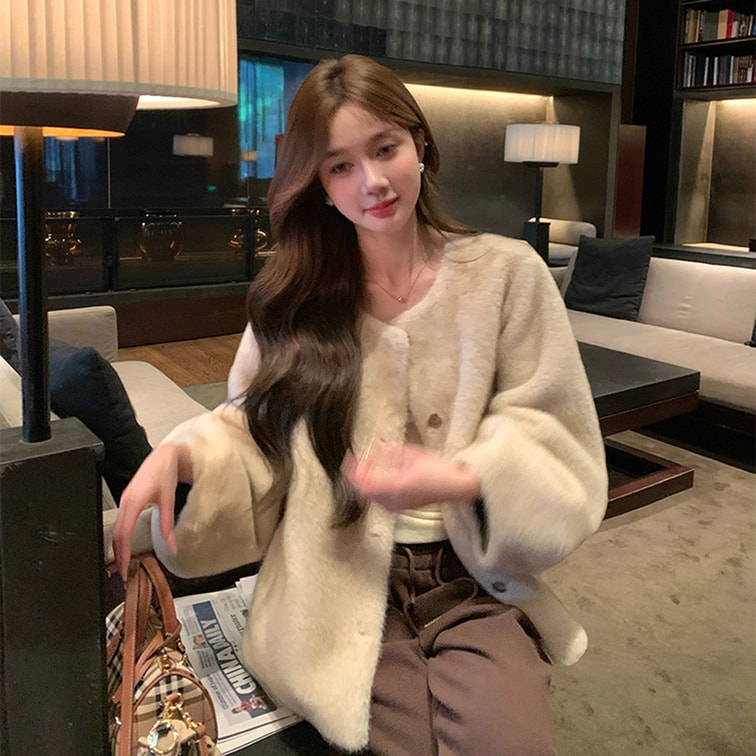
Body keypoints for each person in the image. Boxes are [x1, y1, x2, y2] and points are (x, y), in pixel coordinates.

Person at [114, 54, 608, 755]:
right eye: (340, 165)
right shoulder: (295, 299)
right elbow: (253, 429)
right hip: (335, 576)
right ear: (318, 184)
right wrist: (184, 453)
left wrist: (463, 477)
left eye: (385, 149)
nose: (372, 182)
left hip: (472, 580)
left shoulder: (507, 276)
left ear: (420, 144)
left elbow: (554, 428)